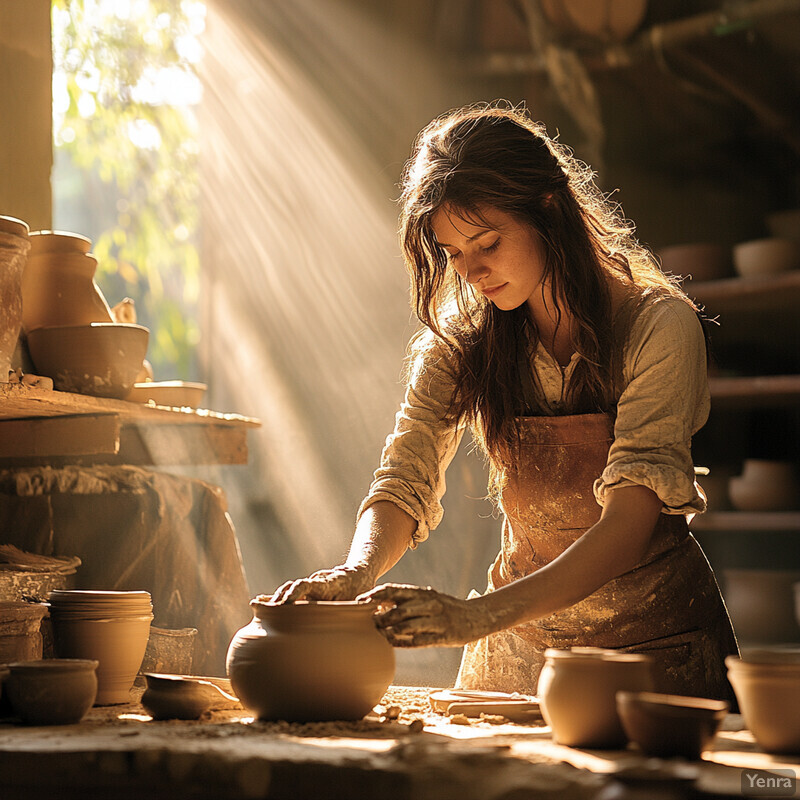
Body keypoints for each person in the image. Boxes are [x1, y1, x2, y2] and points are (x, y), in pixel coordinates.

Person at [273, 102, 738, 698]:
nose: (470, 271)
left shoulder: (659, 327)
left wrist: (474, 618)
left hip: (650, 650)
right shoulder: (466, 336)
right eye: (451, 253)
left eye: (487, 243)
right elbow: (405, 475)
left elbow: (628, 522)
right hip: (520, 648)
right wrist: (354, 573)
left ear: (548, 207)